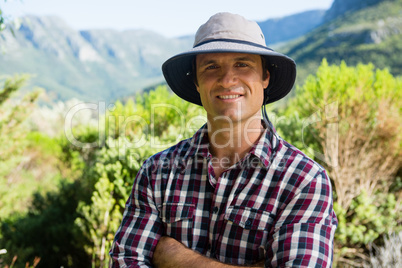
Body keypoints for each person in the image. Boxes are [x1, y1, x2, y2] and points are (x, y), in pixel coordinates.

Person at [110, 12, 337, 268]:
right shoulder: (157, 172)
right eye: (211, 66)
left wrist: (178, 259)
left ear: (265, 77)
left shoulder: (303, 180)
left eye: (243, 64)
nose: (227, 79)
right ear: (196, 81)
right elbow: (125, 262)